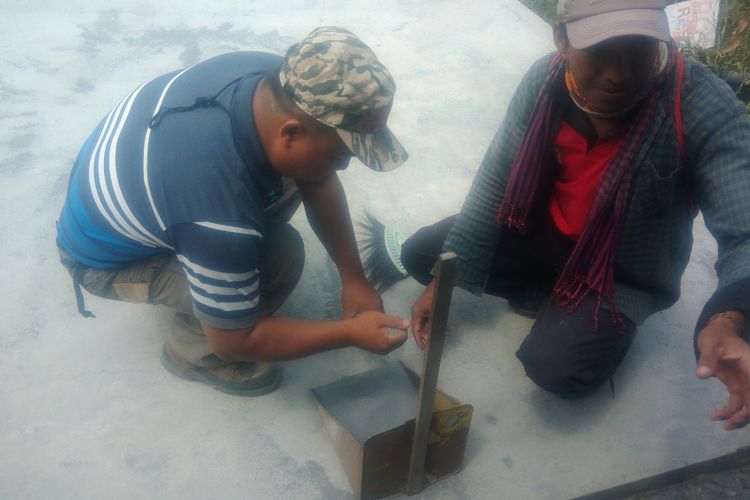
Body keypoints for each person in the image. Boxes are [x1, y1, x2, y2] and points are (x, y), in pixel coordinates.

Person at [403, 0, 750, 429]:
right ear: (560, 39)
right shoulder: (546, 80)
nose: (620, 72)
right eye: (600, 50)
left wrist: (728, 318)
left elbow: (745, 231)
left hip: (617, 273)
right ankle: (552, 296)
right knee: (422, 256)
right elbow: (495, 183)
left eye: (639, 47)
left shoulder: (702, 107)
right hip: (540, 235)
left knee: (557, 368)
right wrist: (445, 281)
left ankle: (581, 313)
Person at [56, 27, 411, 397]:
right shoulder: (214, 208)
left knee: (304, 172)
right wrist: (350, 334)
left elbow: (318, 179)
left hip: (137, 192)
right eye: (341, 155)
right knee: (280, 259)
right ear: (290, 133)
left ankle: (209, 273)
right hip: (101, 262)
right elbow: (238, 341)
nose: (343, 167)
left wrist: (353, 278)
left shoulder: (276, 79)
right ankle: (191, 352)